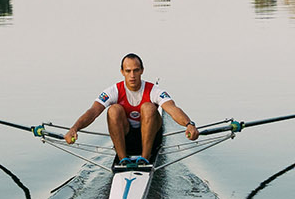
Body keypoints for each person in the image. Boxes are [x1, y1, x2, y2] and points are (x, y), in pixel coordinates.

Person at [63, 53, 198, 167]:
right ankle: (123, 160)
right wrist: (74, 128)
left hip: (151, 139)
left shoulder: (154, 91)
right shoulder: (113, 91)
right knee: (113, 109)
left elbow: (172, 109)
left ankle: (145, 159)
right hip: (127, 140)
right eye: (128, 71)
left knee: (149, 107)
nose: (132, 75)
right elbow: (93, 112)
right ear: (122, 72)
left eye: (136, 70)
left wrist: (189, 124)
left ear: (142, 70)